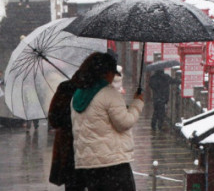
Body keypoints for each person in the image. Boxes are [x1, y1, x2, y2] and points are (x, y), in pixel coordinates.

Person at [71, 52, 144, 191]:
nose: (113, 78)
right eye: (112, 73)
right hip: (112, 164)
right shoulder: (109, 93)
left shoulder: (78, 95)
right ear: (105, 73)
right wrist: (137, 103)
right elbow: (124, 123)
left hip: (88, 166)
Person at [49, 79, 83, 191]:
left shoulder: (65, 87)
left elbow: (53, 119)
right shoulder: (93, 89)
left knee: (73, 184)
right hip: (90, 147)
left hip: (68, 149)